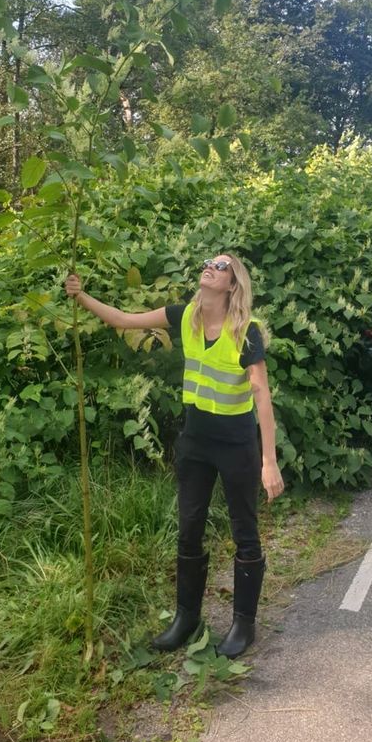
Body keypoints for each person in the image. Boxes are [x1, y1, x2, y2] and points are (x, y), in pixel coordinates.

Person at [65, 253, 284, 658]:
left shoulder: (247, 331)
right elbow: (123, 320)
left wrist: (269, 460)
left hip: (237, 446)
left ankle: (243, 625)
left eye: (220, 266)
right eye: (207, 262)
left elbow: (261, 395)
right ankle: (187, 618)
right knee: (189, 529)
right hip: (196, 443)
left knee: (244, 533)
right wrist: (82, 297)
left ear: (233, 284)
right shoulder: (185, 316)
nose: (209, 267)